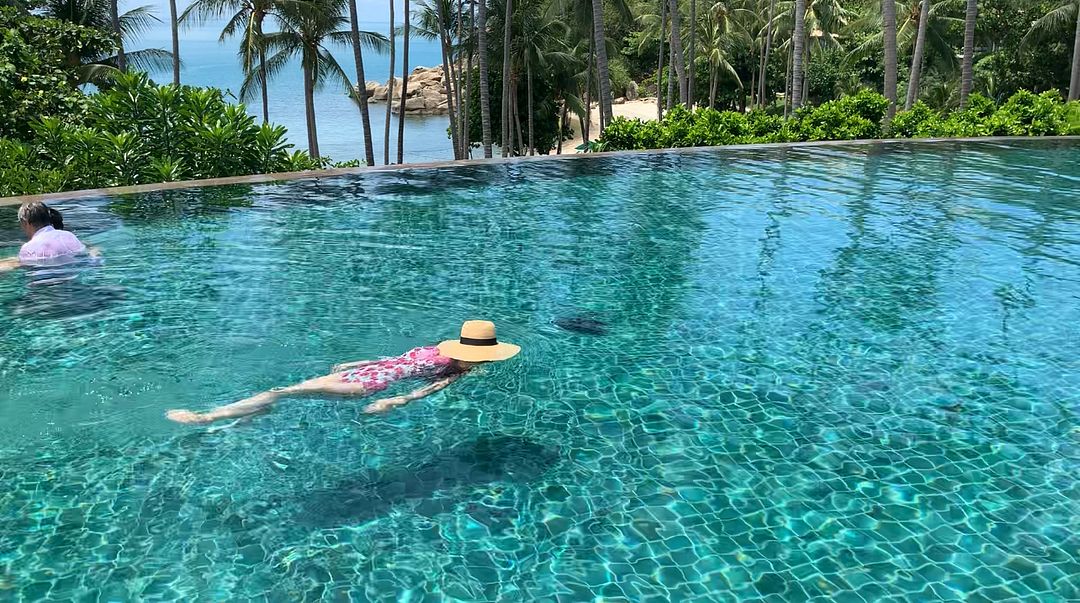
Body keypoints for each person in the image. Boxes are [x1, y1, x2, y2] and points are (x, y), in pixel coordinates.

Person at [166, 320, 521, 425]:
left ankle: (208, 417)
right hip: (364, 374)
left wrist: (394, 402)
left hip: (370, 387)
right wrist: (357, 363)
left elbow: (425, 389)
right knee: (284, 390)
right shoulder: (439, 350)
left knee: (282, 391)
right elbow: (397, 358)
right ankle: (245, 415)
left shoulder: (457, 370)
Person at [0, 202, 88, 271]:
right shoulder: (69, 236)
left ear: (26, 223)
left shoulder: (29, 248)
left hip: (45, 285)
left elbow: (19, 265)